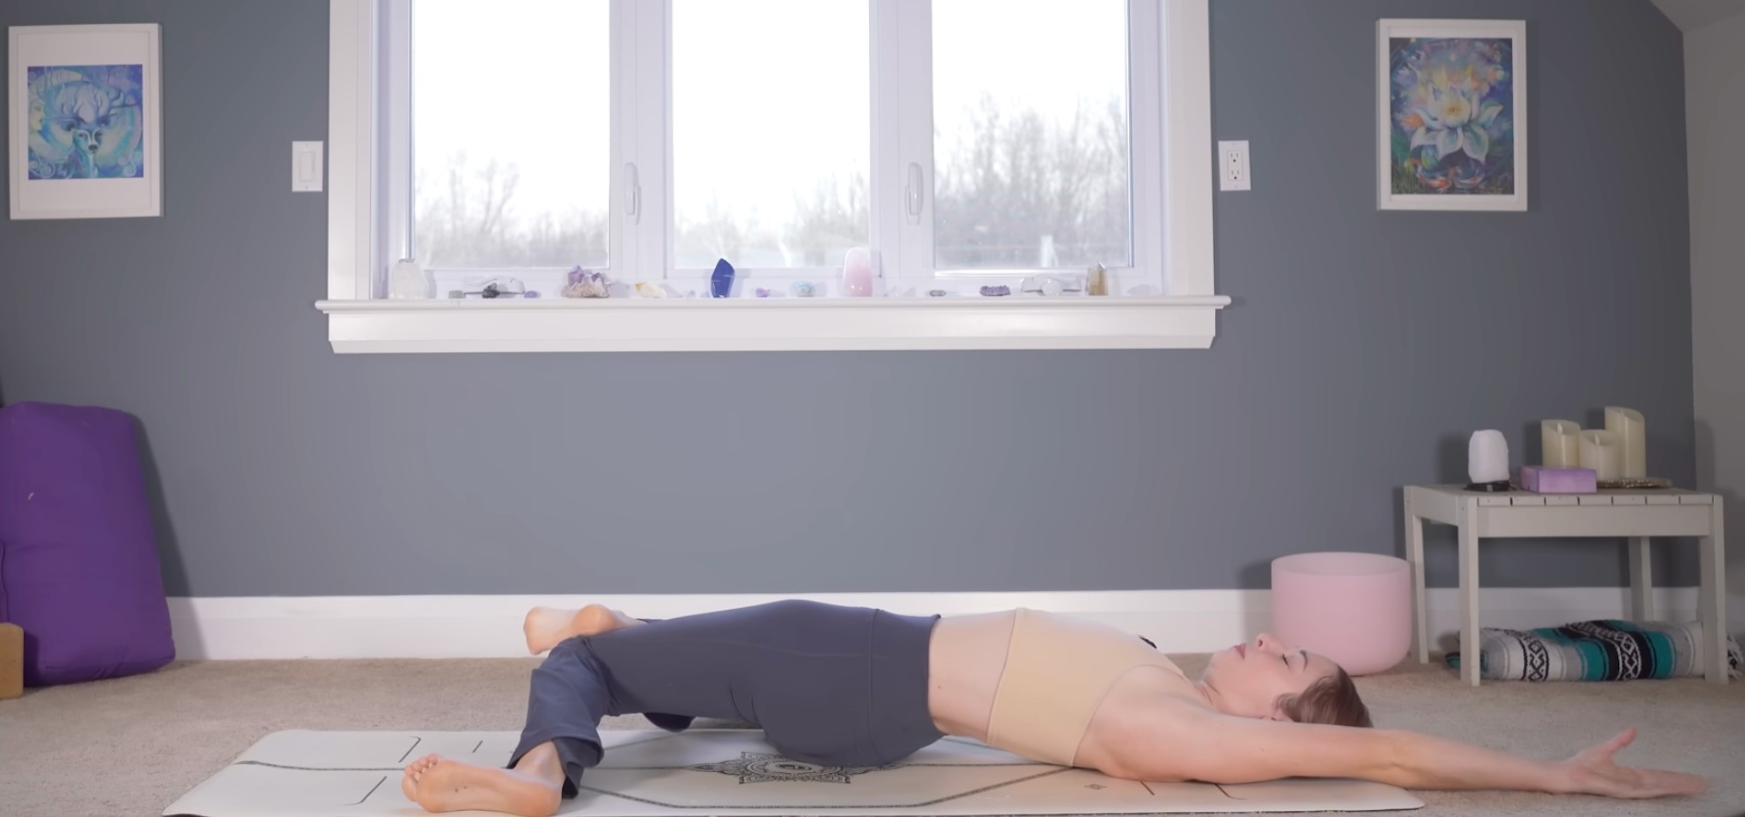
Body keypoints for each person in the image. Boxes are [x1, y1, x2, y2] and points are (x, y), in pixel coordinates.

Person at [399, 599, 1706, 814]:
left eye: (1285, 658)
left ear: (1286, 722)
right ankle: (615, 640)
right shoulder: (1160, 689)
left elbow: (1404, 749)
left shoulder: (1198, 735)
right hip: (858, 676)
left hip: (845, 666)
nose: (1264, 639)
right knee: (646, 656)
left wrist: (1553, 778)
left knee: (586, 669)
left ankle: (539, 770)